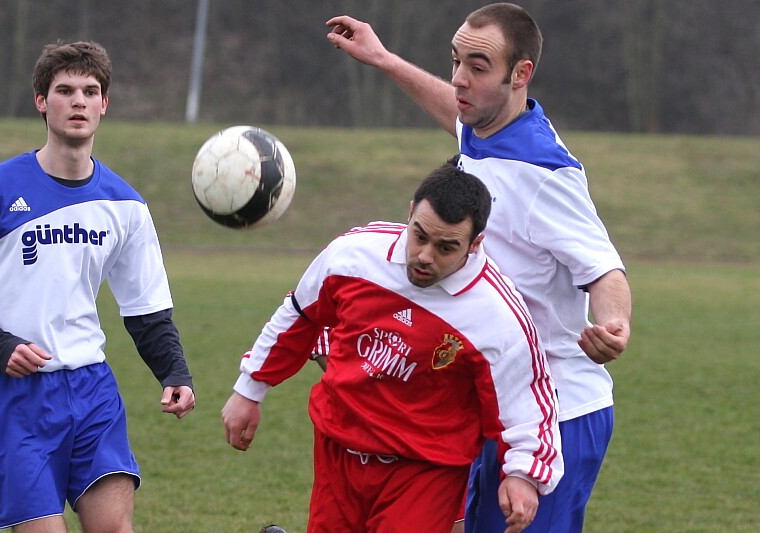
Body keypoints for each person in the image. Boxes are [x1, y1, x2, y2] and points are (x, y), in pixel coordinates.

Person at [325, 4, 632, 532]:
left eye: (478, 66)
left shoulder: (545, 173)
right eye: (456, 61)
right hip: (497, 402)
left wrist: (614, 325)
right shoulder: (485, 129)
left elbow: (605, 269)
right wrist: (384, 59)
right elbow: (454, 109)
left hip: (557, 413)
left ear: (521, 74)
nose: (459, 79)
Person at [222, 164, 563, 533]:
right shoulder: (354, 254)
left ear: (475, 244)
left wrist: (524, 474)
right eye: (419, 236)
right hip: (338, 452)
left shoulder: (497, 315)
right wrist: (249, 389)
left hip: (424, 470)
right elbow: (301, 313)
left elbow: (528, 400)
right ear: (410, 212)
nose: (425, 256)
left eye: (446, 247)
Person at [0, 41, 195, 531]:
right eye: (65, 91)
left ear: (104, 104)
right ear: (41, 101)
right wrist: (1, 348)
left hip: (91, 388)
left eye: (90, 91)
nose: (79, 101)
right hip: (11, 393)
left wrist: (174, 372)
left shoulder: (126, 205)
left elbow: (147, 308)